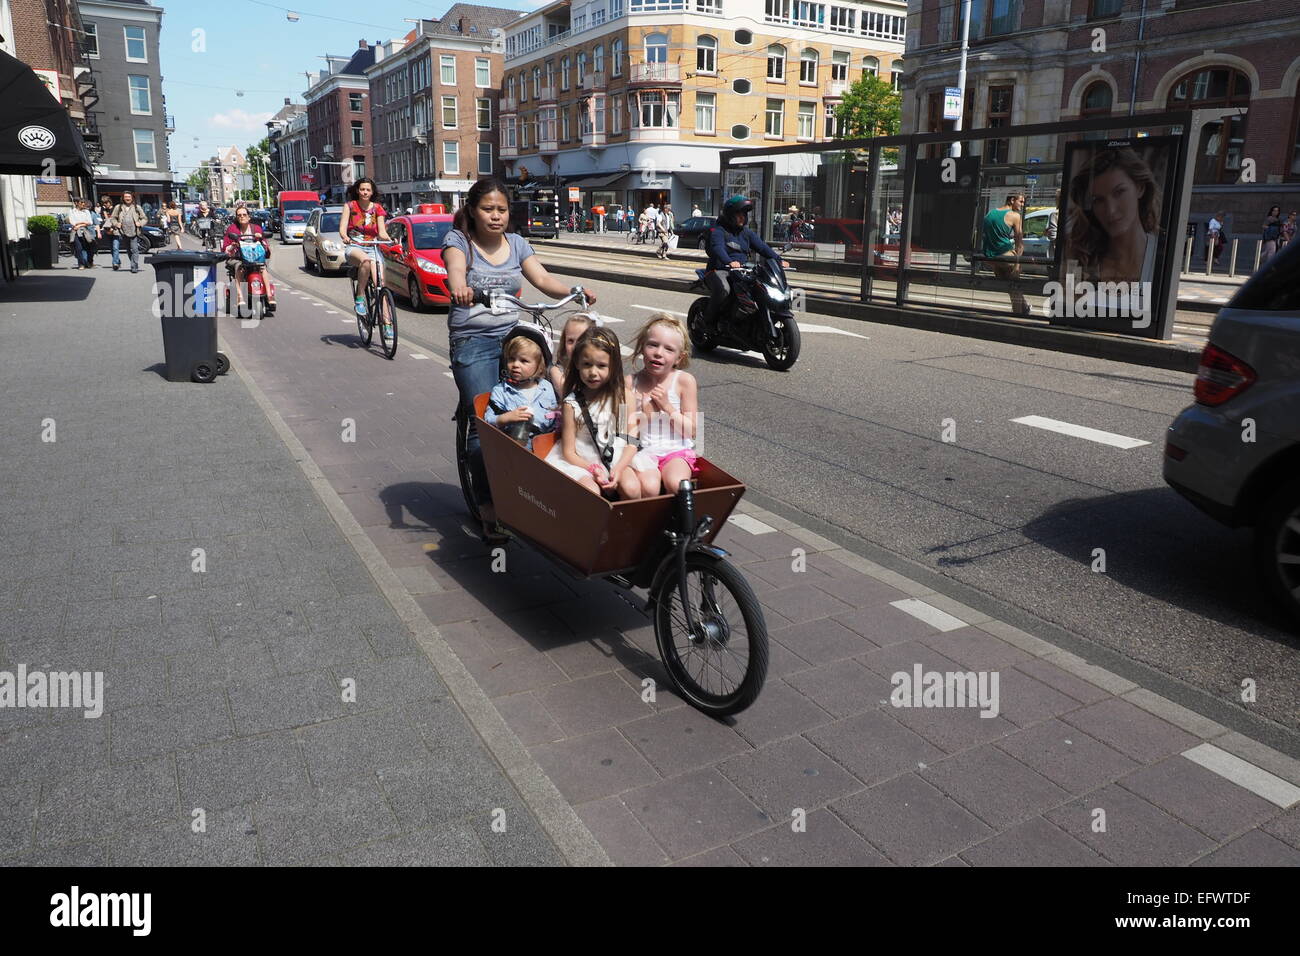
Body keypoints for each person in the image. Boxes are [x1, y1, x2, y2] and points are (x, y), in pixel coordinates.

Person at [444, 176, 595, 526]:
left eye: (502, 209)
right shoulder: (459, 242)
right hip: (473, 340)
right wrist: (461, 289)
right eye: (487, 209)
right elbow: (454, 272)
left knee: (554, 400)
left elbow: (542, 279)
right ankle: (486, 505)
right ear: (473, 210)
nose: (495, 216)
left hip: (513, 337)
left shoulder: (517, 243)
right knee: (482, 421)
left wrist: (574, 291)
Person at [545, 326, 658, 499]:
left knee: (632, 488)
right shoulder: (572, 403)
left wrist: (619, 468)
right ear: (577, 363)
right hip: (582, 461)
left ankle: (625, 524)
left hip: (618, 457)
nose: (593, 372)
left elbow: (631, 438)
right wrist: (593, 469)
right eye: (587, 364)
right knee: (592, 493)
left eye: (602, 365)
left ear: (613, 366)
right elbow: (569, 452)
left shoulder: (623, 396)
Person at [1064, 149, 1160, 287]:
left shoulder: (1161, 255)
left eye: (1119, 192)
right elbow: (1067, 303)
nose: (1110, 210)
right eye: (1098, 200)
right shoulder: (1080, 256)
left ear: (1140, 188)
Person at [628, 313, 698, 494]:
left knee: (676, 483)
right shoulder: (630, 382)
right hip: (641, 450)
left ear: (679, 358)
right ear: (642, 347)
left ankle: (684, 522)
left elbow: (692, 431)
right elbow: (623, 430)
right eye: (652, 345)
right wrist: (645, 413)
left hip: (675, 451)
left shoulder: (684, 381)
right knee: (649, 487)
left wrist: (667, 407)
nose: (658, 353)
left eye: (669, 349)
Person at [702, 195, 789, 329]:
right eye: (739, 214)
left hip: (741, 271)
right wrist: (729, 261)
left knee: (761, 288)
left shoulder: (746, 233)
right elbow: (717, 247)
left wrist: (778, 260)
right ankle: (708, 321)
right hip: (719, 270)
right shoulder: (719, 231)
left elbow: (762, 247)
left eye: (744, 214)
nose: (743, 217)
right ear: (730, 215)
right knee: (724, 289)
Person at [484, 336, 558, 451]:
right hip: (513, 448)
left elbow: (554, 417)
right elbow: (488, 419)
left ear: (539, 367)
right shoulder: (500, 391)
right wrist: (505, 418)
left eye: (524, 361)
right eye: (511, 359)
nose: (515, 365)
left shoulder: (546, 387)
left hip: (545, 446)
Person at [337, 177, 391, 317]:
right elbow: (342, 229)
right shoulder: (350, 206)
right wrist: (345, 237)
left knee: (381, 283)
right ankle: (360, 296)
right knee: (365, 261)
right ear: (357, 190)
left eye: (368, 190)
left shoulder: (378, 208)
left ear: (372, 192)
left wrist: (390, 239)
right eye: (362, 189)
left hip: (372, 247)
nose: (365, 192)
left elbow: (382, 232)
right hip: (355, 247)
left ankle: (387, 321)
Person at [980, 193, 1029, 316]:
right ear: (1012, 200)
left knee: (1010, 287)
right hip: (1006, 256)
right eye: (1021, 202)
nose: (1022, 205)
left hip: (991, 258)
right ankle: (1018, 316)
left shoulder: (990, 214)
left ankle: (1025, 307)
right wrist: (1018, 264)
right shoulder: (1015, 216)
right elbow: (1019, 243)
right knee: (1015, 286)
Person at [222, 206, 275, 312]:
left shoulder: (256, 228)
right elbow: (225, 248)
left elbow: (265, 245)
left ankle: (269, 295)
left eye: (244, 215)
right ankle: (239, 296)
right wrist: (232, 246)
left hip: (254, 257)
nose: (242, 217)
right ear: (237, 217)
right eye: (239, 215)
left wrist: (260, 238)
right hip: (238, 257)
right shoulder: (232, 229)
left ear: (249, 217)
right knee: (239, 266)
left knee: (262, 266)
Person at [550, 312, 598, 396]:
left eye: (581, 340)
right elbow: (569, 396)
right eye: (570, 341)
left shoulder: (599, 367)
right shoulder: (557, 371)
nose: (575, 346)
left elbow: (620, 398)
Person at [109, 191, 147, 273]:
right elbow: (112, 218)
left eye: (129, 197)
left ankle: (134, 266)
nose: (127, 198)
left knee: (135, 249)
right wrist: (116, 224)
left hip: (134, 232)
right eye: (125, 197)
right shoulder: (118, 207)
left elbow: (144, 218)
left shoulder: (137, 207)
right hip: (122, 232)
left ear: (132, 198)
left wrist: (140, 223)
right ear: (123, 198)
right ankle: (133, 263)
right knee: (128, 249)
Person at [68, 199, 97, 270]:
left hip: (85, 231)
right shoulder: (72, 211)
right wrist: (83, 223)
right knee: (79, 248)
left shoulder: (86, 211)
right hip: (76, 232)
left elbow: (90, 222)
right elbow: (73, 222)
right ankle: (81, 264)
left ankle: (89, 262)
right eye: (81, 203)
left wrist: (79, 224)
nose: (83, 204)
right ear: (77, 203)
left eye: (84, 203)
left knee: (89, 247)